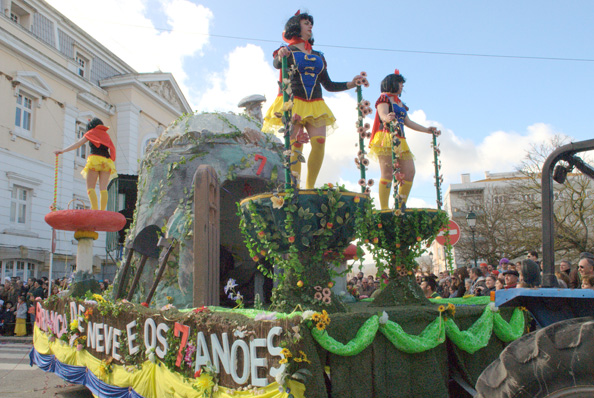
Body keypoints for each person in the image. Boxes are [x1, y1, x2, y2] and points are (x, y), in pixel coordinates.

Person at [262, 11, 363, 189]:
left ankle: (309, 187)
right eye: (306, 22)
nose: (310, 26)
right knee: (295, 145)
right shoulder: (286, 50)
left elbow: (329, 85)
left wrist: (351, 84)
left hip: (316, 104)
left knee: (319, 143)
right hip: (293, 102)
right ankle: (295, 188)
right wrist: (281, 54)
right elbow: (277, 64)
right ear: (296, 26)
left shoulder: (318, 55)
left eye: (311, 23)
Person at [369, 70, 441, 209]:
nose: (402, 87)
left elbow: (408, 122)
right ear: (391, 83)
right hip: (386, 136)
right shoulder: (383, 98)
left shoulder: (400, 103)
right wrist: (387, 118)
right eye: (400, 83)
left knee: (409, 172)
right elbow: (382, 114)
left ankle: (401, 204)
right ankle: (384, 208)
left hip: (401, 139)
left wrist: (427, 130)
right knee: (387, 173)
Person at [54, 117, 117, 210]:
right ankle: (102, 210)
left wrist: (63, 151)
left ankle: (95, 208)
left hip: (95, 160)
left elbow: (78, 144)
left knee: (90, 187)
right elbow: (112, 149)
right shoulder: (106, 135)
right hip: (107, 161)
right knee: (103, 188)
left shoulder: (91, 132)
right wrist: (112, 159)